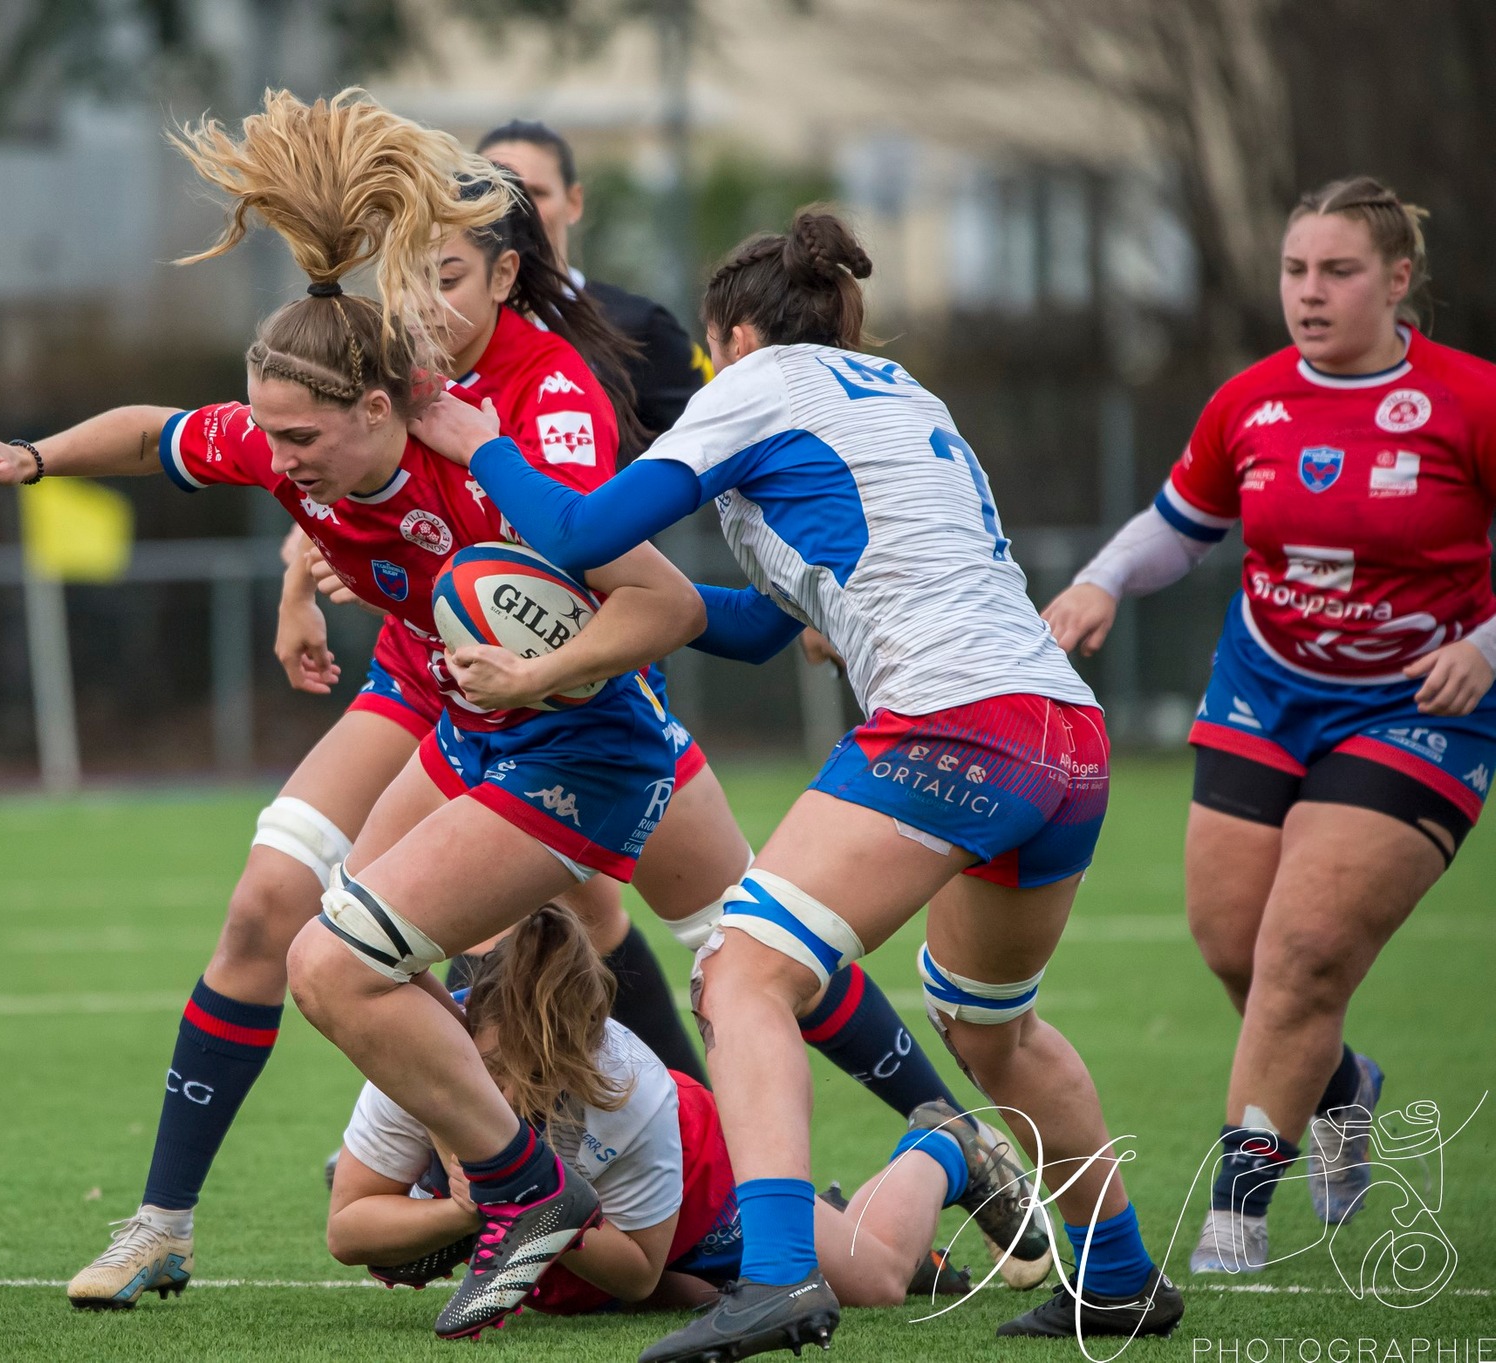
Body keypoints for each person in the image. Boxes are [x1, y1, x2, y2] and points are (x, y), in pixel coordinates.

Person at [0, 90, 705, 1337]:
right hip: (467, 726)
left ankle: (587, 1194)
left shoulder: (482, 453)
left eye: (297, 440)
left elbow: (661, 605)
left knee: (701, 947)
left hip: (575, 744)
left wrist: (534, 670)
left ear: (379, 413)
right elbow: (153, 431)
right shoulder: (287, 431)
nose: (270, 462)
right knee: (287, 927)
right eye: (264, 434)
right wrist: (30, 454)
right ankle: (195, 1218)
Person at [410, 205, 1185, 1356]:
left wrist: (474, 441)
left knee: (740, 972)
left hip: (954, 726)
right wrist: (594, 636)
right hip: (1059, 739)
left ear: (727, 335)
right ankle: (1118, 1277)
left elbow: (574, 529)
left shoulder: (754, 386)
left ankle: (775, 1276)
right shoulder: (900, 394)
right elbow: (754, 627)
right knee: (994, 1033)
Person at [280, 172, 969, 1133]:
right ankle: (500, 1146)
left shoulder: (565, 380)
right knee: (422, 924)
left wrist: (483, 454)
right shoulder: (405, 378)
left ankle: (587, 1174)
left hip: (595, 713)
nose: (421, 301)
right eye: (408, 277)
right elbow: (741, 618)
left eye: (443, 273)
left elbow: (585, 549)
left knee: (734, 953)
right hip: (482, 707)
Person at [1042, 177, 1496, 1276]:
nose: (1308, 292)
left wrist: (1482, 647)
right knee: (1231, 945)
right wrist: (1099, 582)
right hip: (1262, 688)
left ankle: (1234, 1216)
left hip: (1414, 707)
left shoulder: (1468, 400)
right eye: (1294, 270)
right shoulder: (1248, 400)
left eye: (1336, 271)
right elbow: (1178, 524)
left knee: (1299, 957)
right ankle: (1342, 1085)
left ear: (1395, 282)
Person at [327, 903, 1031, 1323]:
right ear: (466, 1020)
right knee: (688, 1294)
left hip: (691, 1187)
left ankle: (944, 1147)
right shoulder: (423, 1056)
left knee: (874, 1283)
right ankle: (828, 1214)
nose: (505, 1091)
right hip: (582, 1231)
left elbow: (636, 1269)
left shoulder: (629, 1087)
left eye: (532, 1076)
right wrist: (468, 1209)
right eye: (490, 1064)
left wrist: (531, 1193)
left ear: (577, 1057)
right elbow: (349, 1226)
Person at [477, 119, 711, 456]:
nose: (520, 209)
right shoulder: (445, 331)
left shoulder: (639, 327)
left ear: (574, 202)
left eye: (537, 193)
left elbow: (717, 441)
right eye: (500, 192)